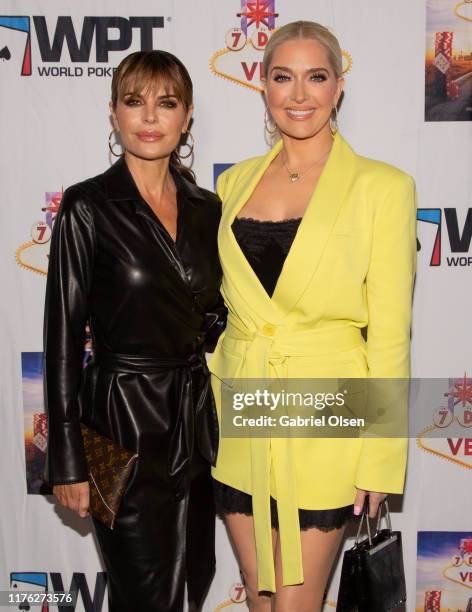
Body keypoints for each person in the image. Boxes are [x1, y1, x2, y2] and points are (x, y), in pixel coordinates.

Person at [209, 21, 416, 611]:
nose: (299, 95)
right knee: (260, 604)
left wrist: (380, 457)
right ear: (263, 88)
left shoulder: (384, 188)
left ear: (339, 88)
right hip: (242, 414)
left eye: (316, 77)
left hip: (327, 421)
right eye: (283, 77)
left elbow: (391, 338)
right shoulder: (232, 183)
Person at [43, 50, 225, 612]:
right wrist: (68, 459)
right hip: (111, 428)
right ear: (114, 114)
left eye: (166, 103)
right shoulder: (87, 206)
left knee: (191, 586)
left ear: (187, 116)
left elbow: (213, 305)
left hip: (191, 427)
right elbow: (63, 340)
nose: (150, 117)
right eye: (134, 101)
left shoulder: (206, 207)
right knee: (144, 596)